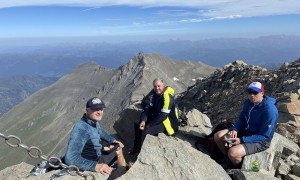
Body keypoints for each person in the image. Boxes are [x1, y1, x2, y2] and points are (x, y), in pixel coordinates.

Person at [214, 82, 278, 169]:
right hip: (245, 131)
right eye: (249, 92)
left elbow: (264, 135)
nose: (252, 95)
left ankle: (237, 168)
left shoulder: (269, 110)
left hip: (260, 141)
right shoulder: (248, 102)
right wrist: (235, 129)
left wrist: (241, 140)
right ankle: (228, 159)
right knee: (219, 136)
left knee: (233, 152)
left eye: (255, 92)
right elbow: (242, 118)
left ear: (262, 93)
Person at [65, 97, 128, 175]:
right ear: (87, 110)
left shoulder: (93, 122)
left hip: (96, 155)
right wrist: (95, 166)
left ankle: (122, 169)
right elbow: (70, 158)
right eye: (95, 109)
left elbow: (100, 132)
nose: (99, 112)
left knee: (117, 146)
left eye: (101, 109)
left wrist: (113, 141)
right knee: (118, 150)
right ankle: (122, 172)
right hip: (90, 162)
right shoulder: (81, 129)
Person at [128, 78, 179, 155]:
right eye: (155, 86)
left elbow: (163, 116)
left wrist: (150, 124)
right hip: (159, 118)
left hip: (168, 123)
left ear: (163, 85)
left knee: (147, 132)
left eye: (159, 86)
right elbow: (150, 109)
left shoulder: (167, 97)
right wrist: (143, 120)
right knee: (137, 123)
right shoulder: (156, 95)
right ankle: (137, 147)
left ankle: (143, 154)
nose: (157, 88)